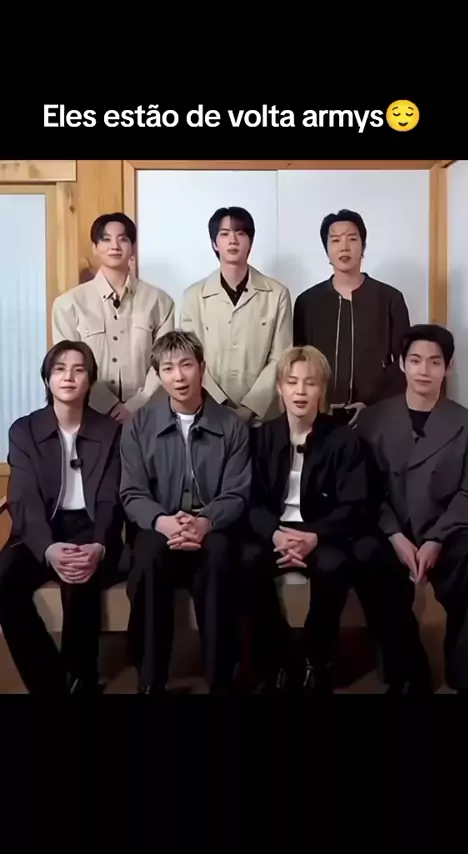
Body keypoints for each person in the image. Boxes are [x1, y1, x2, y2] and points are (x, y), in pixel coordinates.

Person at [239, 344, 428, 695]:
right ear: (279, 387)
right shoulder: (260, 437)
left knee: (334, 565)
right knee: (247, 561)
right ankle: (278, 658)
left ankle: (317, 658)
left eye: (310, 383)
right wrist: (276, 535)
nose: (300, 391)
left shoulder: (343, 439)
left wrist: (314, 536)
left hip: (323, 534)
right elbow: (250, 500)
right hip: (275, 533)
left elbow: (355, 505)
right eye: (292, 382)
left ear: (322, 390)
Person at [119, 329, 252, 694]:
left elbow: (237, 492)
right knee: (147, 559)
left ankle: (221, 677)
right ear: (158, 375)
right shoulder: (138, 426)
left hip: (212, 527)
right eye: (168, 368)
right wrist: (163, 522)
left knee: (222, 559)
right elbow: (132, 492)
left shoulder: (231, 425)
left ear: (202, 368)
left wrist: (206, 521)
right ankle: (151, 678)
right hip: (159, 525)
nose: (178, 376)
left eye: (186, 365)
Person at [357, 324, 468, 695]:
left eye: (434, 362)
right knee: (365, 555)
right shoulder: (372, 420)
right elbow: (365, 490)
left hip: (447, 531)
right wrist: (394, 535)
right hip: (390, 529)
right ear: (401, 364)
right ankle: (408, 670)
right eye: (415, 361)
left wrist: (437, 539)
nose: (424, 370)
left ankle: (466, 672)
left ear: (448, 367)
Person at [0, 341, 124, 694]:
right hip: (38, 530)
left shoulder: (110, 431)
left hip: (91, 527)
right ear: (47, 379)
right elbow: (24, 499)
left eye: (78, 369)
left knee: (80, 579)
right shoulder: (24, 430)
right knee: (3, 580)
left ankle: (82, 678)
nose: (68, 376)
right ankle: (52, 684)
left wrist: (100, 544)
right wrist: (48, 547)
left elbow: (109, 498)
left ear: (90, 381)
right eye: (59, 369)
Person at [52, 212, 175, 422]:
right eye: (106, 239)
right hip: (88, 413)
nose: (115, 246)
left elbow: (166, 361)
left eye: (123, 239)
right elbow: (68, 365)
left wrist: (137, 403)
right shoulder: (68, 304)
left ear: (133, 247)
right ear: (95, 247)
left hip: (147, 415)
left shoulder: (160, 301)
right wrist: (108, 405)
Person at [293, 209, 411, 426]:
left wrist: (371, 403)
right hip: (319, 415)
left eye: (352, 239)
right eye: (335, 240)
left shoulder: (389, 299)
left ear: (363, 246)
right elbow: (298, 361)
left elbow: (404, 361)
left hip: (378, 414)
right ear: (327, 250)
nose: (344, 247)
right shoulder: (307, 302)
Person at [180, 206, 293, 424]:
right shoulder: (194, 296)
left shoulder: (277, 294)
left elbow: (281, 357)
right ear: (214, 243)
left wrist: (250, 407)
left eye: (240, 233)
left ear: (250, 241)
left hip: (264, 418)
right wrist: (220, 405)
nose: (233, 240)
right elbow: (190, 358)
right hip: (209, 413)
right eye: (224, 234)